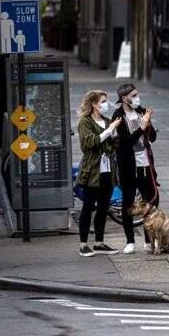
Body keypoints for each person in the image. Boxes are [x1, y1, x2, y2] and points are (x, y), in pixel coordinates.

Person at [112, 83, 159, 255]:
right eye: (133, 95)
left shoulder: (142, 111)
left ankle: (148, 240)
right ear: (124, 98)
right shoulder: (118, 115)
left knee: (150, 202)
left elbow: (152, 137)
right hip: (128, 166)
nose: (136, 98)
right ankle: (130, 241)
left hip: (145, 165)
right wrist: (141, 127)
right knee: (128, 203)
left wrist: (148, 123)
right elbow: (125, 143)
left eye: (137, 94)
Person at [76, 90, 121, 257]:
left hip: (107, 170)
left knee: (103, 208)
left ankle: (99, 243)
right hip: (91, 170)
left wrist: (114, 133)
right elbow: (90, 143)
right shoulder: (85, 122)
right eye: (102, 101)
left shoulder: (108, 121)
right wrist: (110, 130)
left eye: (106, 101)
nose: (105, 104)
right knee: (88, 207)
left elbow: (115, 144)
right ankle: (83, 245)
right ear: (93, 104)